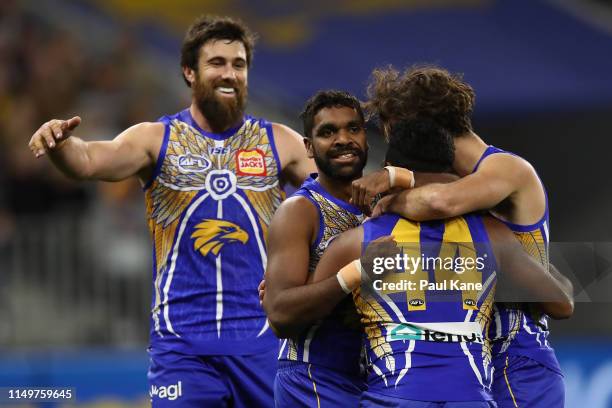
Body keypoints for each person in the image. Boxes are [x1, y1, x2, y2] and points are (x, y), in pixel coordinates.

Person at [28, 15, 314, 407]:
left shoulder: (280, 141)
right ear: (188, 73)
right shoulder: (155, 138)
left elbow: (338, 188)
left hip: (263, 343)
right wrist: (61, 144)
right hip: (182, 347)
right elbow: (91, 160)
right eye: (216, 63)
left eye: (239, 64)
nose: (229, 73)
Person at [307, 117, 572, 406]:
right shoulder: (493, 235)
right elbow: (562, 304)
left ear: (391, 171)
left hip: (392, 399)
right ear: (451, 169)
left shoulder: (356, 242)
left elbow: (297, 317)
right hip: (471, 399)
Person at [263, 90, 369, 407]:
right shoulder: (299, 211)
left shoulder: (383, 205)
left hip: (374, 378)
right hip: (314, 379)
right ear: (309, 147)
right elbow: (281, 315)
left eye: (353, 128)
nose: (343, 139)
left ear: (367, 138)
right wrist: (355, 274)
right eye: (328, 132)